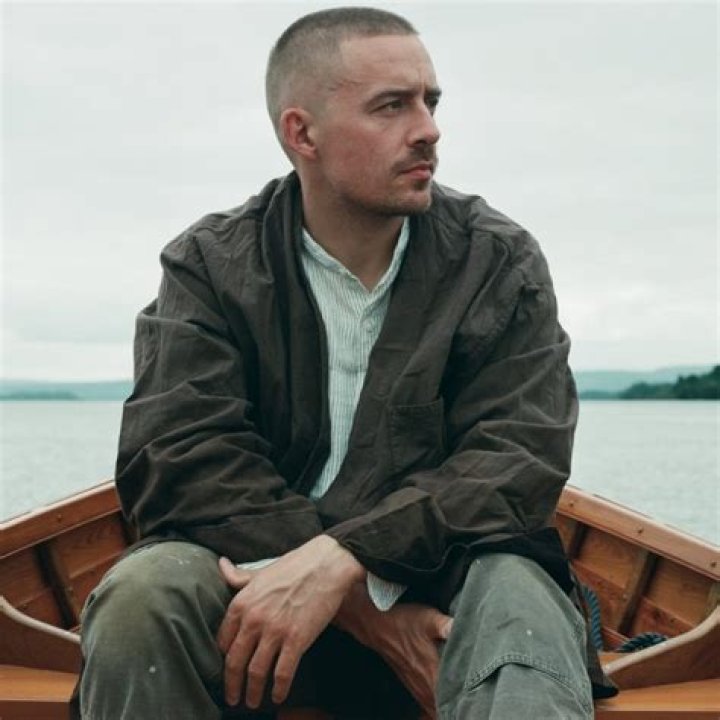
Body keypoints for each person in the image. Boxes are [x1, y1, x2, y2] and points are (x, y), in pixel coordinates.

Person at [78, 7, 615, 719]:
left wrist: (344, 559)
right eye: (391, 106)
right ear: (301, 133)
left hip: (443, 593)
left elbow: (518, 457)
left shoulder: (495, 260)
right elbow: (180, 457)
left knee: (522, 602)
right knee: (142, 599)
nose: (427, 129)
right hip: (252, 588)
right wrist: (365, 614)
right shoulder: (209, 265)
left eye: (430, 102)